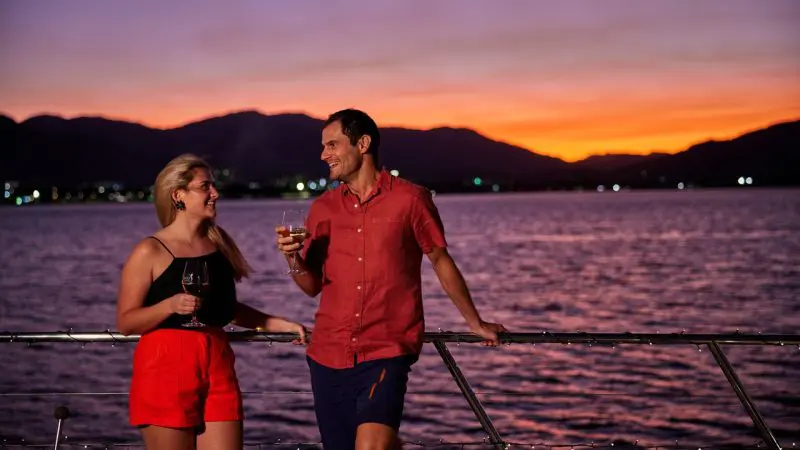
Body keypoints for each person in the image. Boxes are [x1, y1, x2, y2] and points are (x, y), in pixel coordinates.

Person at [275, 109, 508, 450]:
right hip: (327, 355)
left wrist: (474, 322)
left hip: (386, 350)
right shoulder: (322, 209)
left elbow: (440, 259)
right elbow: (311, 288)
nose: (323, 154)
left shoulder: (411, 199)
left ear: (363, 143)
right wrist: (291, 257)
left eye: (332, 145)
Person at [117, 153, 307, 450]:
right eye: (205, 187)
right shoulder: (149, 250)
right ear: (179, 195)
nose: (215, 193)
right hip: (165, 369)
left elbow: (226, 309)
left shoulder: (218, 243)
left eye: (213, 186)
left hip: (218, 364)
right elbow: (126, 323)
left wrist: (276, 324)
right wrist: (169, 306)